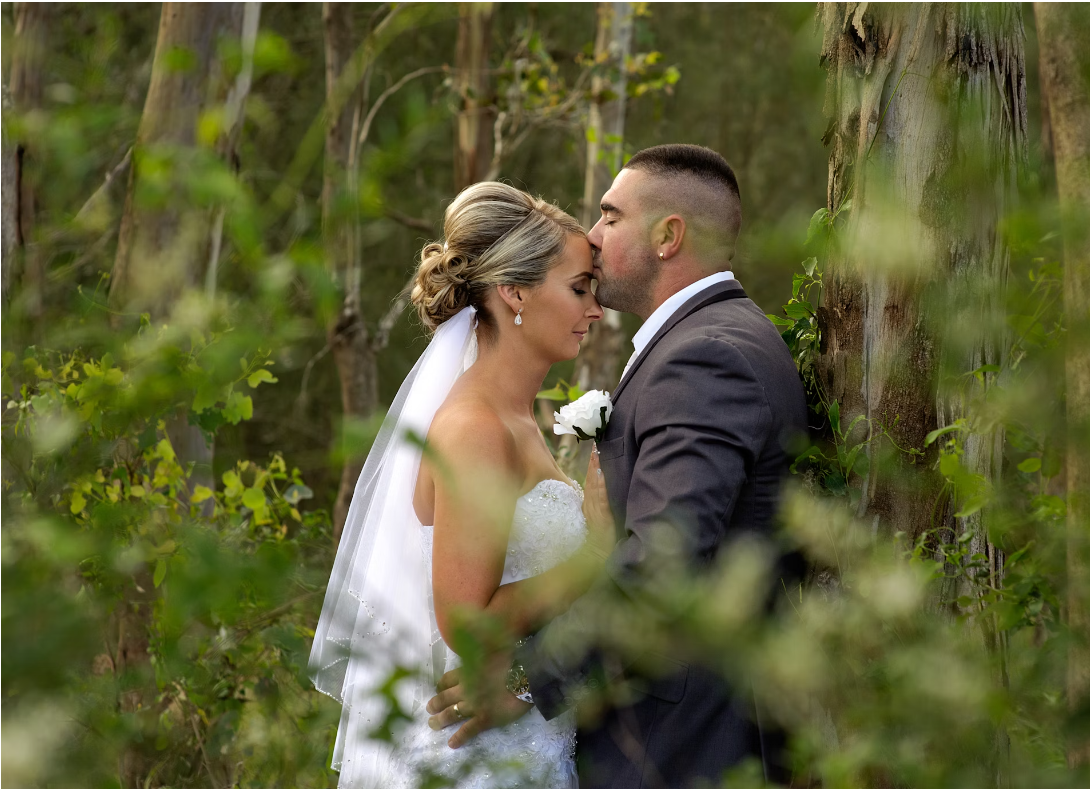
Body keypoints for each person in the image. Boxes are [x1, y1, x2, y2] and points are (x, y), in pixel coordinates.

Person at [426, 144, 809, 788]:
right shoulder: (714, 341)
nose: (594, 239)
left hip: (686, 749)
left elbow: (663, 564)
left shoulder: (704, 359)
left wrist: (527, 680)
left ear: (668, 236)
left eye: (610, 215)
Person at [309, 181, 613, 788]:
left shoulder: (516, 420)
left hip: (523, 739)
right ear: (514, 292)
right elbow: (465, 623)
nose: (595, 310)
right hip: (479, 759)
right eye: (580, 288)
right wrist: (593, 552)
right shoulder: (475, 429)